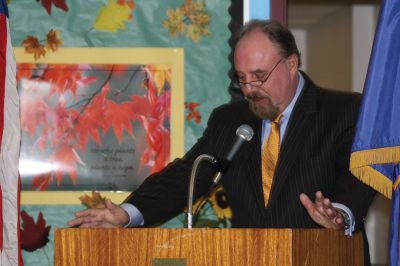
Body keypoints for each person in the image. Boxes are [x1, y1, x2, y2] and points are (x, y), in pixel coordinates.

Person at [68, 19, 376, 261]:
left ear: (292, 64)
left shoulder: (344, 111)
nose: (250, 88)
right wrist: (127, 213)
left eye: (259, 75)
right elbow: (187, 176)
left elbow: (357, 174)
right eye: (242, 78)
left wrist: (339, 214)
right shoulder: (230, 120)